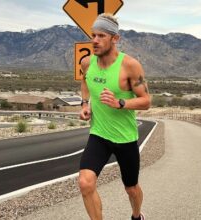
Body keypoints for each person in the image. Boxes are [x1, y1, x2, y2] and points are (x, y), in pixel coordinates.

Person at [79, 13, 151, 220]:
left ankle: (137, 215)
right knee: (85, 182)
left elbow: (146, 101)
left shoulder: (130, 66)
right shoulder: (86, 63)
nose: (94, 40)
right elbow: (85, 82)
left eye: (101, 35)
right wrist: (86, 104)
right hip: (99, 134)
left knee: (131, 188)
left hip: (125, 138)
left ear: (115, 39)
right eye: (93, 35)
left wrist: (120, 103)